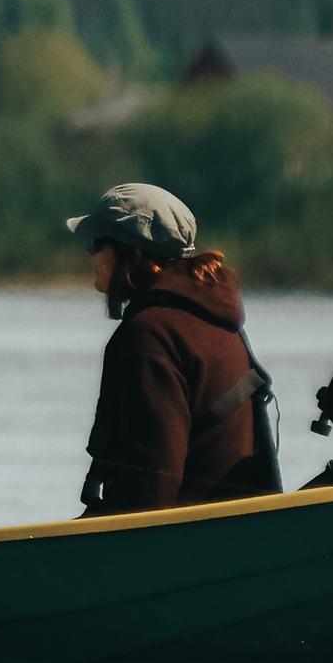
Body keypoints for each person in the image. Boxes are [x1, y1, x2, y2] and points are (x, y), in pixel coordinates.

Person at [66, 182, 282, 515]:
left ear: (129, 253)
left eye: (96, 243)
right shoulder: (216, 319)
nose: (89, 254)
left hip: (185, 546)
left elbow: (153, 480)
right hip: (236, 532)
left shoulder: (149, 334)